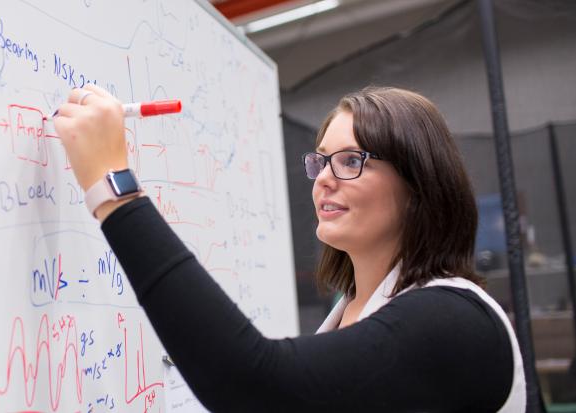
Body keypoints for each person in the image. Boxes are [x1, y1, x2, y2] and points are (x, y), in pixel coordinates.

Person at [54, 85, 526, 412]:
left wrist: (113, 189)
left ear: (420, 183)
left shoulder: (454, 320)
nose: (323, 177)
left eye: (350, 161)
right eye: (321, 160)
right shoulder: (349, 313)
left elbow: (253, 383)